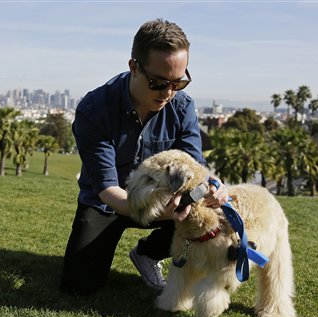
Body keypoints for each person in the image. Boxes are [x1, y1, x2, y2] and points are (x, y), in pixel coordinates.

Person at [60, 19, 228, 295]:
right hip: (108, 204)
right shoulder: (95, 109)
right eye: (158, 83)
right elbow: (105, 188)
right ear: (134, 67)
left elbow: (194, 167)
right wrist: (151, 209)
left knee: (210, 213)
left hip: (165, 202)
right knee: (79, 286)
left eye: (179, 82)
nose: (169, 93)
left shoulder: (182, 107)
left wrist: (212, 188)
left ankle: (148, 253)